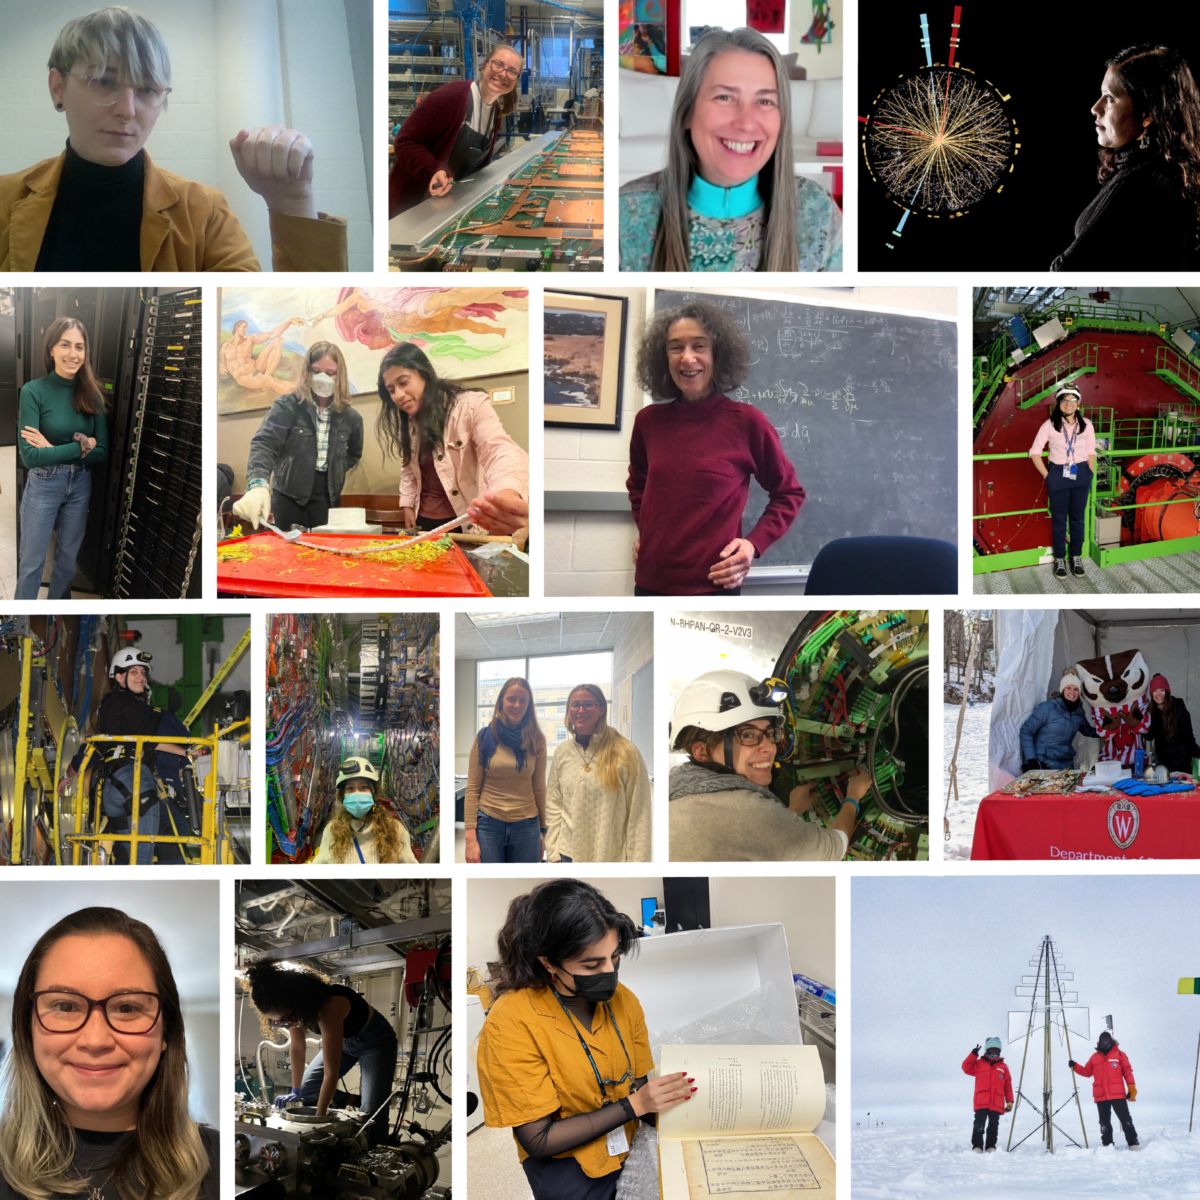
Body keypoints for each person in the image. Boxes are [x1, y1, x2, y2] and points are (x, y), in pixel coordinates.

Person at [0, 6, 348, 272]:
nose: (127, 110)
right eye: (105, 82)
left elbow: (258, 328)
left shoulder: (203, 212)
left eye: (148, 89)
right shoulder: (5, 201)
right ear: (58, 87)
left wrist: (292, 202)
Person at [476, 879, 692, 1200]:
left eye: (614, 957)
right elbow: (538, 1140)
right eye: (592, 964)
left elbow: (641, 1087)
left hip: (629, 1148)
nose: (609, 972)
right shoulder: (511, 1021)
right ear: (548, 961)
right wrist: (637, 1104)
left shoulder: (625, 1001)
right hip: (568, 1170)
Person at [0, 906, 217, 1200]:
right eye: (65, 1006)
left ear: (167, 1032)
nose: (96, 1039)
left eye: (127, 1008)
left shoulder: (220, 1163)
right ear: (28, 1030)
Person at [618, 28, 842, 271]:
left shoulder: (817, 211)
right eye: (724, 97)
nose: (746, 123)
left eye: (764, 101)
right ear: (687, 113)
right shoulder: (623, 213)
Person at [627, 300, 804, 594]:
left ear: (717, 354)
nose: (687, 358)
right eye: (675, 347)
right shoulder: (648, 422)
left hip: (715, 585)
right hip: (649, 583)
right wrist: (647, 533)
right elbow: (638, 486)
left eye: (699, 346)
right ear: (663, 357)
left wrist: (752, 544)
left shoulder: (747, 422)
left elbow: (789, 493)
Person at [668, 669, 867, 861]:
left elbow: (751, 838)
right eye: (747, 735)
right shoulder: (750, 812)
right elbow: (835, 847)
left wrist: (791, 813)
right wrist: (853, 797)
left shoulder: (676, 795)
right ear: (702, 752)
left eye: (770, 734)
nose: (770, 748)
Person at [1051, 44, 1200, 271]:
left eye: (1110, 98)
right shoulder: (1171, 172)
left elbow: (1064, 274)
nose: (1095, 108)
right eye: (1101, 95)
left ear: (1148, 113)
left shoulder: (1142, 182)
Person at [377, 341, 529, 537]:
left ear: (424, 374)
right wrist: (407, 503)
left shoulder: (470, 406)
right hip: (424, 521)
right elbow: (408, 467)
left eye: (404, 382)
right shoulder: (408, 421)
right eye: (391, 390)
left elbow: (500, 449)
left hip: (465, 522)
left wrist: (506, 492)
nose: (398, 395)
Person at [242, 958, 399, 1147]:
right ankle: (352, 1100)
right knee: (308, 1091)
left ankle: (377, 1158)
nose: (286, 1025)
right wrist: (296, 1089)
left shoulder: (329, 1007)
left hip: (375, 1041)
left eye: (286, 1019)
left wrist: (319, 1119)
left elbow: (330, 1074)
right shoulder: (292, 1012)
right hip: (346, 1042)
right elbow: (298, 1048)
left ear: (298, 1001)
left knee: (372, 1115)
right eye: (277, 1023)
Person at [58, 649, 193, 866]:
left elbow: (89, 752)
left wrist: (67, 776)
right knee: (156, 854)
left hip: (114, 789)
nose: (140, 676)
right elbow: (186, 759)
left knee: (125, 849)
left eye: (142, 673)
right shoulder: (163, 719)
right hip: (147, 790)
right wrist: (186, 752)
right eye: (134, 673)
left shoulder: (110, 717)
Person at [15, 316, 107, 600]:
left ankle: (54, 619)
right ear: (51, 349)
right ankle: (21, 625)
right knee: (31, 565)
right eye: (65, 345)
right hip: (44, 483)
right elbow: (30, 457)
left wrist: (51, 449)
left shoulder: (92, 393)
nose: (73, 354)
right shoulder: (34, 391)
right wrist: (81, 445)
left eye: (79, 347)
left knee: (67, 564)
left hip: (80, 485)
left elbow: (102, 451)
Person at [232, 342, 363, 533]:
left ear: (339, 375)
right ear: (307, 372)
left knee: (322, 555)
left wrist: (336, 469)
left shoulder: (352, 418)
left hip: (327, 497)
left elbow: (354, 453)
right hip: (288, 496)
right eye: (316, 371)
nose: (322, 378)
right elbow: (265, 444)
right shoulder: (288, 406)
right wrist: (258, 484)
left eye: (330, 373)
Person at [388, 43, 523, 217]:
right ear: (483, 66)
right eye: (497, 65)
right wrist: (433, 169)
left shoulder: (494, 112)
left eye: (512, 71)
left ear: (516, 80)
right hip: (412, 205)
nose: (503, 74)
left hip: (448, 205)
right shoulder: (452, 97)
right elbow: (405, 141)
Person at [545, 685, 652, 863]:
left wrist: (637, 864)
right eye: (575, 705)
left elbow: (639, 814)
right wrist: (553, 851)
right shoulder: (562, 752)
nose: (581, 710)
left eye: (588, 704)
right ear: (568, 711)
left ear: (602, 709)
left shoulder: (625, 752)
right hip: (567, 854)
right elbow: (554, 803)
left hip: (610, 855)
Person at [465, 677, 547, 863]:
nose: (517, 705)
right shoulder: (485, 738)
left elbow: (540, 789)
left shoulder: (536, 740)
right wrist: (470, 836)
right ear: (501, 701)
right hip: (488, 824)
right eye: (511, 699)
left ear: (529, 704)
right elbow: (472, 789)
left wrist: (544, 831)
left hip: (527, 826)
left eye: (523, 700)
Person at [1028, 384, 1096, 580]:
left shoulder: (1087, 425)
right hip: (1057, 474)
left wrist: (1089, 473)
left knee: (1078, 519)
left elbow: (1091, 451)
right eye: (1064, 400)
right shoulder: (1049, 425)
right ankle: (1060, 559)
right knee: (1059, 520)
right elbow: (1035, 452)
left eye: (1073, 400)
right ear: (1058, 404)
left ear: (1078, 403)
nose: (1069, 404)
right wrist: (1047, 476)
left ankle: (1076, 557)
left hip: (1081, 473)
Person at [313, 756, 418, 864]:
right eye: (350, 788)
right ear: (343, 795)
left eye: (363, 787)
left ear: (374, 792)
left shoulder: (396, 831)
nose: (357, 793)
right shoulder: (332, 830)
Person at [1069, 1030, 1140, 1150]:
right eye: (1103, 1040)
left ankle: (1133, 1143)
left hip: (1118, 1094)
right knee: (1104, 1122)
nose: (1105, 1042)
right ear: (1099, 1042)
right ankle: (1107, 1145)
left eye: (1107, 1040)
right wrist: (1075, 1066)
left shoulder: (1120, 1055)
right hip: (1101, 1095)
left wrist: (1131, 1086)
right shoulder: (1094, 1057)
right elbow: (1087, 1072)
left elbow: (1127, 1071)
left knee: (1125, 1119)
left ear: (1111, 1041)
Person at [1018, 672, 1102, 772]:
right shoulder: (1047, 708)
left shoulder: (1079, 712)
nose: (1072, 692)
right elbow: (1026, 731)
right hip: (1045, 763)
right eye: (1068, 688)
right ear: (1062, 690)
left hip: (1067, 764)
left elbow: (1087, 731)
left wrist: (1108, 731)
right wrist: (1031, 759)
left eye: (1076, 689)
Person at [961, 1038, 1013, 1154]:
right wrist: (973, 1055)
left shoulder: (1003, 1067)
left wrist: (1009, 1101)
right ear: (987, 1050)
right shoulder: (978, 1064)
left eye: (996, 1050)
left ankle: (991, 1146)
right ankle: (977, 1147)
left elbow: (1008, 1085)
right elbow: (965, 1068)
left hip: (997, 1102)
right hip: (981, 1101)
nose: (994, 1053)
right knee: (979, 1124)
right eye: (991, 1050)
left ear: (999, 1052)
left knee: (993, 1126)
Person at [1147, 673, 1200, 775]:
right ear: (1151, 693)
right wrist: (1137, 724)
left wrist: (1197, 755)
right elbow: (1150, 736)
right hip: (1162, 759)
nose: (1158, 694)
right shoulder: (1152, 710)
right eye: (1155, 690)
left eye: (1162, 690)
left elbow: (1188, 736)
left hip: (1180, 758)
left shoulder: (1179, 709)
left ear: (1167, 692)